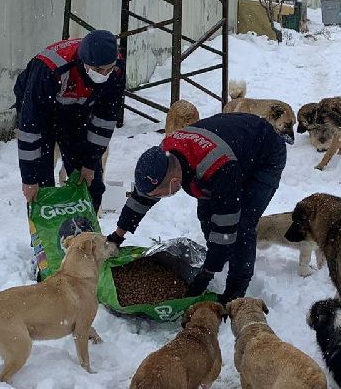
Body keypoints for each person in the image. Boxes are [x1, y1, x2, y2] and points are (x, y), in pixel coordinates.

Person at [108, 112, 287, 303]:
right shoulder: (162, 157)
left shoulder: (217, 168)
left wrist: (206, 274)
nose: (159, 198)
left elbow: (226, 225)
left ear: (174, 182)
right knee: (206, 213)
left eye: (161, 194)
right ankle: (220, 256)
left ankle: (236, 290)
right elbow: (140, 198)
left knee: (242, 225)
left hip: (265, 152)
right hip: (233, 143)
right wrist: (117, 236)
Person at [13, 30, 124, 209]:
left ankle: (85, 233)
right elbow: (30, 129)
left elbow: (105, 118)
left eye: (108, 69)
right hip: (41, 107)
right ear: (83, 61)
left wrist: (89, 163)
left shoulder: (116, 68)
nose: (104, 74)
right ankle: (46, 233)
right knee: (41, 188)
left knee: (89, 183)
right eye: (98, 70)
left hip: (77, 111)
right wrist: (29, 178)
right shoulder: (52, 69)